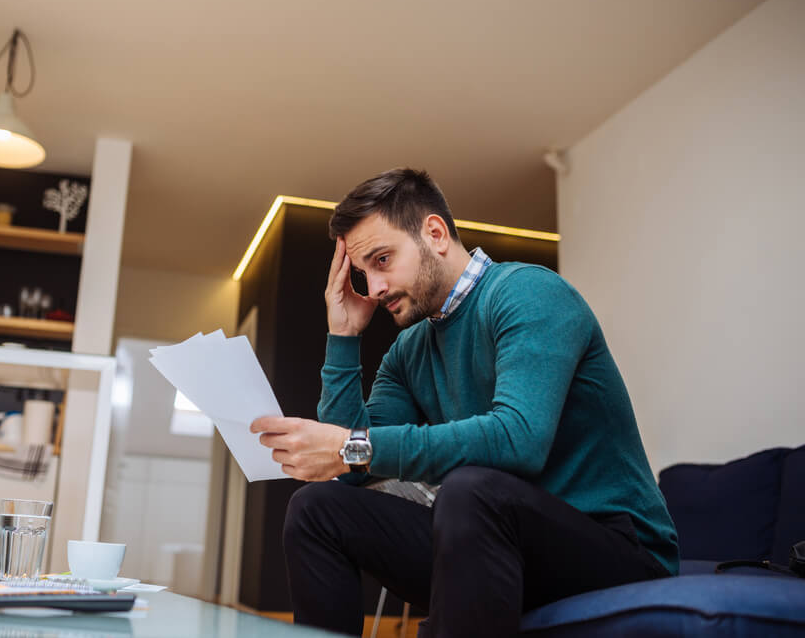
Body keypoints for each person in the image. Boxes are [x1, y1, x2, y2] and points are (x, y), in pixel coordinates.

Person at [250, 168, 678, 638]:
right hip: (497, 539)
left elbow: (518, 440)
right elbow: (355, 469)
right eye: (362, 272)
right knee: (317, 508)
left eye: (383, 260)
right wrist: (343, 337)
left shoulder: (527, 294)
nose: (373, 288)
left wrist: (351, 447)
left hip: (616, 548)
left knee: (471, 488)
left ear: (434, 234)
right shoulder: (410, 349)